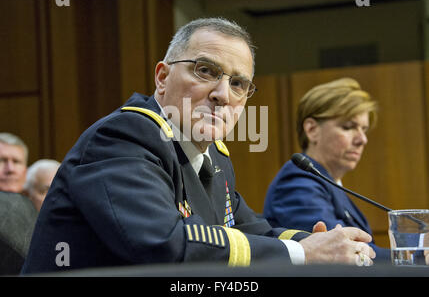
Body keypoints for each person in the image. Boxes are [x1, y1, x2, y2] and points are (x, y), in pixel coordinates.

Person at [22, 18, 375, 274]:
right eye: (206, 71)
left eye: (238, 84)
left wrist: (330, 244)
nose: (222, 95)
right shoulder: (124, 137)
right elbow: (163, 243)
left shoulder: (213, 158)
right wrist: (302, 254)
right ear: (162, 78)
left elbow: (253, 230)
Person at [263, 78, 390, 262]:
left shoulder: (328, 183)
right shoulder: (297, 184)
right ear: (312, 130)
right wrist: (414, 255)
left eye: (364, 129)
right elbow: (342, 250)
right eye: (348, 127)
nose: (362, 139)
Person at [0, 133, 37, 275]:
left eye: (16, 162)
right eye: (2, 160)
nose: (10, 169)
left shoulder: (41, 204)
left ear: (25, 172)